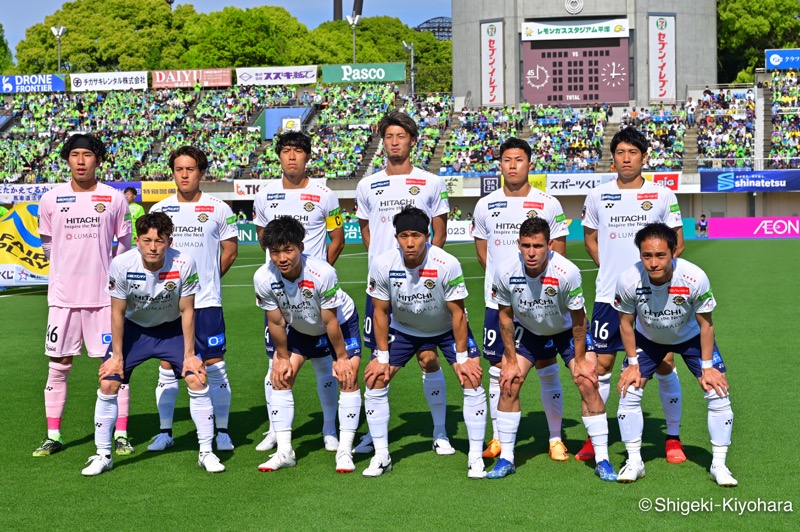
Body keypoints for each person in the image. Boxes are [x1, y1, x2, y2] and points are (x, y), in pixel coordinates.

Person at [82, 212, 224, 475]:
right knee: (109, 381)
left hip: (171, 330)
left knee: (197, 378)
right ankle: (103, 455)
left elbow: (188, 310)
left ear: (169, 241)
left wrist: (190, 354)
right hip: (135, 330)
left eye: (159, 241)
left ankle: (206, 451)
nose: (153, 247)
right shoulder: (122, 264)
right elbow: (116, 312)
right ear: (137, 240)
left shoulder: (184, 262)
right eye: (147, 241)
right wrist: (116, 356)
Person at [581, 127, 686, 463]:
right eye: (621, 152)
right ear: (613, 157)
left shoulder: (662, 196)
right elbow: (591, 240)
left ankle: (672, 438)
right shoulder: (598, 195)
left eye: (633, 153)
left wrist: (649, 276)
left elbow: (677, 243)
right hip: (608, 295)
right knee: (601, 365)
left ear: (644, 157)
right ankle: (594, 436)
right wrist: (615, 272)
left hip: (654, 296)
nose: (626, 158)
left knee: (665, 362)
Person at [487, 217, 616, 481]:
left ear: (550, 246)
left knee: (587, 381)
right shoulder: (505, 270)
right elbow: (504, 316)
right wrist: (510, 359)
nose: (531, 253)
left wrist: (580, 359)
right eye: (526, 246)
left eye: (538, 246)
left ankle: (603, 459)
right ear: (518, 245)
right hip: (529, 330)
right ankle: (507, 459)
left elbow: (579, 320)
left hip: (566, 329)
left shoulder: (567, 272)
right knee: (509, 381)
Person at [362, 206, 487, 478]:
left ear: (427, 235)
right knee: (375, 379)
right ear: (396, 237)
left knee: (472, 378)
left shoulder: (446, 263)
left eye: (416, 235)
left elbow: (458, 314)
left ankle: (474, 455)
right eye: (404, 235)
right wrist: (381, 357)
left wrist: (463, 358)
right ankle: (381, 455)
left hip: (444, 328)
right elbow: (380, 312)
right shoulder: (383, 264)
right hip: (404, 328)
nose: (410, 242)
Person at [353, 110, 451, 455]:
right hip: (383, 288)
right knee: (380, 365)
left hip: (424, 288)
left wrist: (425, 268)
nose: (394, 142)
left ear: (412, 140)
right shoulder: (367, 184)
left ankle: (440, 431)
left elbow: (439, 230)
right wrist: (386, 266)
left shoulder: (431, 181)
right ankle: (374, 434)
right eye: (388, 137)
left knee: (428, 358)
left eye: (400, 136)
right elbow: (367, 232)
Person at [613, 223, 736, 486]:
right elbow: (625, 323)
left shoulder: (695, 277)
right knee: (629, 389)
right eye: (647, 256)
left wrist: (707, 366)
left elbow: (706, 324)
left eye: (660, 255)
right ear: (640, 255)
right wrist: (633, 363)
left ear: (674, 252)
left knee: (717, 390)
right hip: (649, 339)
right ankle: (634, 461)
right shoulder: (628, 279)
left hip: (690, 337)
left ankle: (719, 465)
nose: (653, 263)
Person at [34, 134, 132, 457]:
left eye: (86, 155)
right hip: (63, 299)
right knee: (58, 364)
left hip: (104, 300)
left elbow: (124, 248)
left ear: (97, 159)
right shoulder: (51, 199)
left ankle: (119, 434)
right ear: (67, 159)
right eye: (74, 154)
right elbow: (49, 245)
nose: (80, 161)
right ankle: (53, 435)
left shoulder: (115, 199)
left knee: (114, 366)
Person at [472, 137, 570, 461]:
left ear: (530, 164)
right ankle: (499, 437)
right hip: (499, 303)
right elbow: (483, 254)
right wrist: (509, 286)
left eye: (519, 160)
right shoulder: (485, 205)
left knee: (546, 367)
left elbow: (559, 253)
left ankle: (555, 438)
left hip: (542, 302)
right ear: (500, 164)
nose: (512, 165)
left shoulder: (549, 203)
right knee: (499, 370)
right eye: (507, 160)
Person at [253, 131, 345, 452]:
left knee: (324, 365)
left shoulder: (325, 194)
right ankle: (277, 431)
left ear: (308, 157)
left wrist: (319, 275)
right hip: (279, 297)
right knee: (274, 364)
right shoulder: (265, 195)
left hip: (315, 298)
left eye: (298, 151)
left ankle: (329, 427)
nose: (292, 157)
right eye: (286, 151)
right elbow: (265, 238)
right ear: (278, 156)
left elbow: (338, 238)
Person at [253, 217, 362, 473]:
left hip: (339, 324)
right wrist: (281, 357)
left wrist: (342, 357)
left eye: (288, 250)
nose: (282, 258)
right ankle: (285, 452)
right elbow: (276, 322)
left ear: (301, 247)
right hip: (300, 325)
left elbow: (330, 319)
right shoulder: (263, 277)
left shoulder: (322, 272)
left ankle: (344, 450)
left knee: (347, 377)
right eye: (275, 252)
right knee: (280, 377)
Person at [148, 146, 239, 452]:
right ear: (172, 172)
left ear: (201, 172)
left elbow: (230, 251)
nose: (184, 175)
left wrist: (208, 279)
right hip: (168, 305)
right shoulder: (159, 211)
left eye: (190, 169)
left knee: (213, 364)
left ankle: (223, 430)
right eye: (178, 169)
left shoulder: (218, 208)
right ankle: (165, 431)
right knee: (167, 365)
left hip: (206, 303)